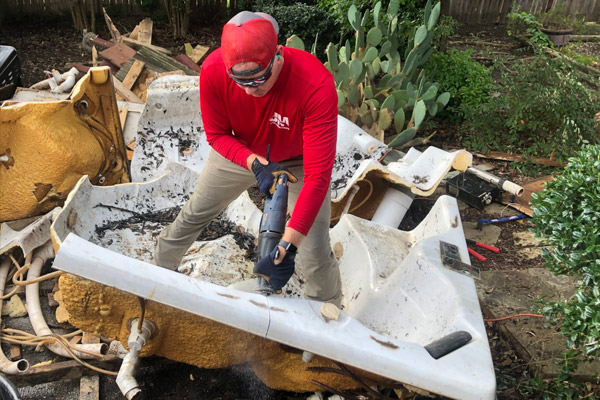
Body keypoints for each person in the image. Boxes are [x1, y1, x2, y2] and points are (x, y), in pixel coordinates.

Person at [154, 10, 342, 307]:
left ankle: (328, 318)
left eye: (259, 79)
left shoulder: (315, 84)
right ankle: (155, 282)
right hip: (239, 151)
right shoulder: (213, 70)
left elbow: (318, 176)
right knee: (195, 213)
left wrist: (287, 246)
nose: (250, 90)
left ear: (278, 54)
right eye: (240, 82)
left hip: (299, 162)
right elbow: (216, 135)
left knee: (314, 247)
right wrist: (254, 162)